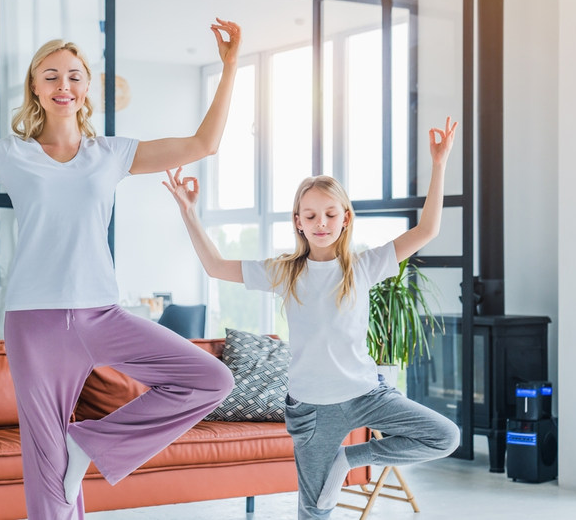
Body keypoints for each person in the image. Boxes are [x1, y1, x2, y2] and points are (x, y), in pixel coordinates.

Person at [0, 14, 240, 519]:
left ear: (86, 89)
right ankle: (74, 457)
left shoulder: (111, 153)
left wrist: (232, 65)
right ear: (36, 91)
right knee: (48, 474)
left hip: (102, 316)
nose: (63, 85)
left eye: (73, 76)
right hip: (34, 321)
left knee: (211, 379)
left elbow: (203, 145)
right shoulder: (11, 155)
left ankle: (91, 444)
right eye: (51, 77)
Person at [163, 117, 461, 519]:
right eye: (311, 215)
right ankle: (336, 467)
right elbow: (216, 266)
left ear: (345, 218)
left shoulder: (365, 266)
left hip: (366, 396)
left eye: (329, 214)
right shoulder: (286, 271)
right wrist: (188, 212)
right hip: (312, 409)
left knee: (445, 436)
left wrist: (439, 164)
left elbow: (427, 229)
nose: (321, 223)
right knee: (315, 510)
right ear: (298, 222)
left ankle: (350, 459)